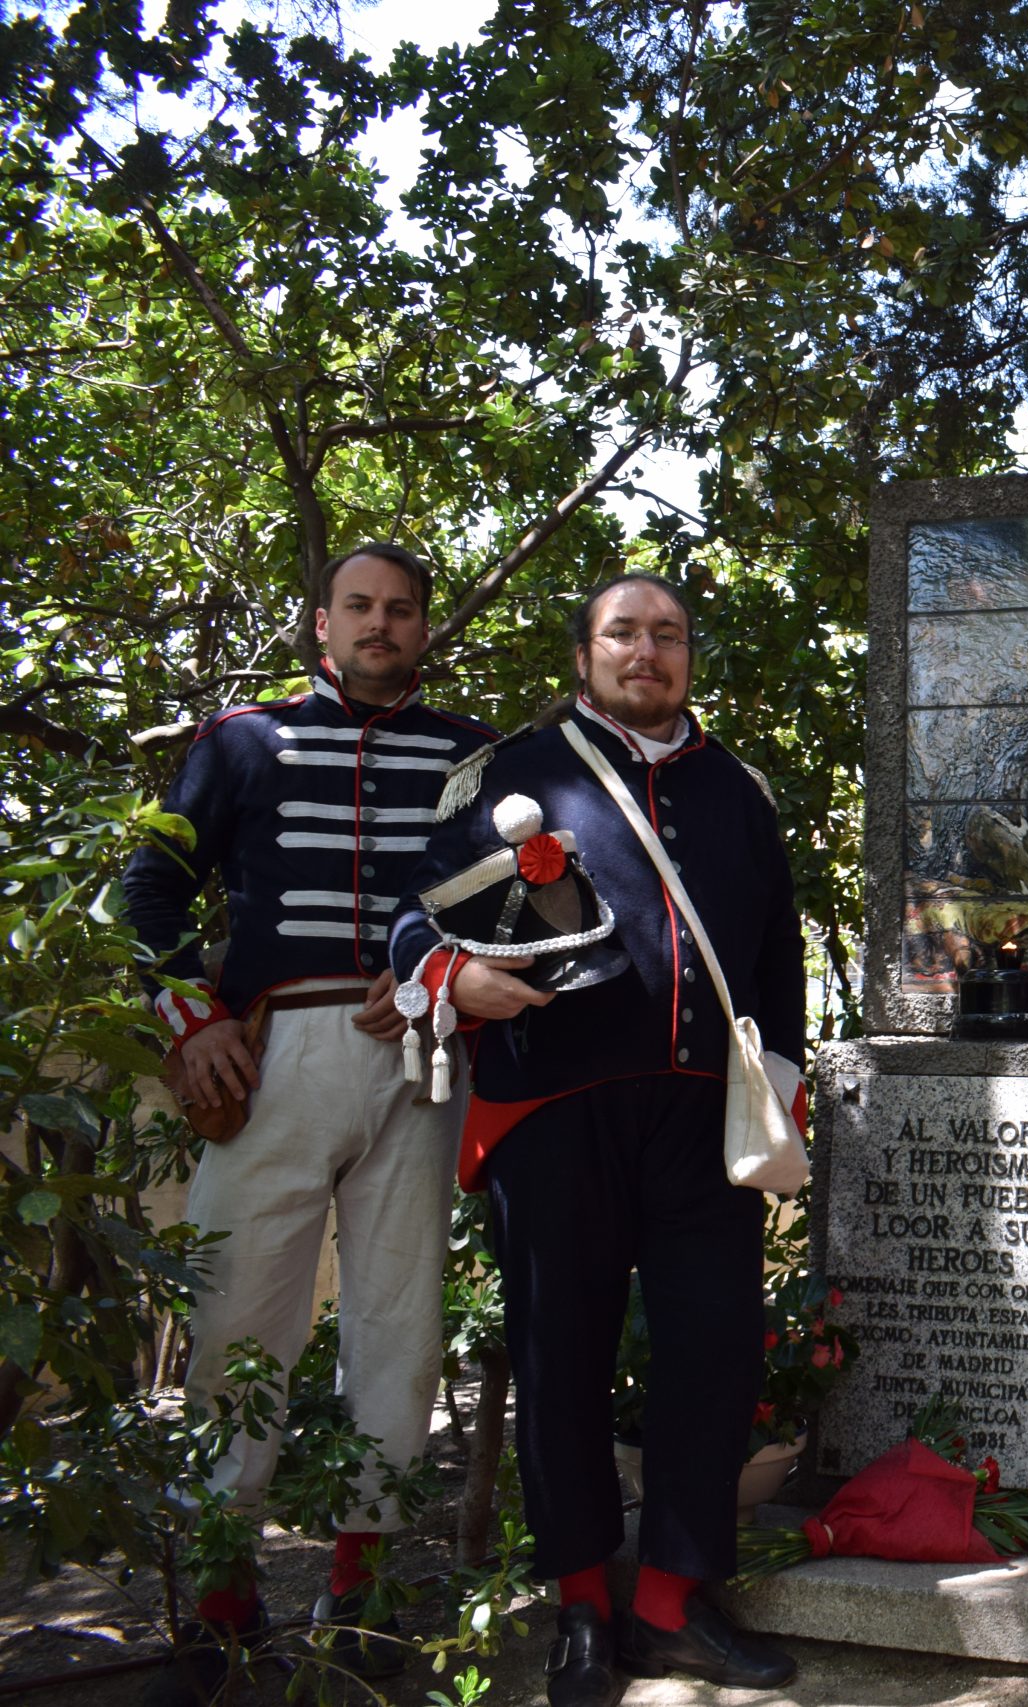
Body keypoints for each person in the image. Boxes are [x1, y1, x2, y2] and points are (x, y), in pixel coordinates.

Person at [391, 572, 805, 1706]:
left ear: (687, 657)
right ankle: (581, 1605)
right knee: (558, 1357)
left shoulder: (737, 789)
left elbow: (776, 948)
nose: (646, 652)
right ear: (584, 655)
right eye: (623, 633)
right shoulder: (509, 773)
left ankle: (670, 1603)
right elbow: (412, 913)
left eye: (668, 634)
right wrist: (454, 978)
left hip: (703, 1119)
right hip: (553, 1110)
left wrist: (781, 1076)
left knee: (714, 1348)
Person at [123, 543, 495, 1699]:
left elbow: (505, 901)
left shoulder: (471, 752)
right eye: (359, 606)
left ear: (425, 627)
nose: (380, 624)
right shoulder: (242, 740)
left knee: (400, 1317)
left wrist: (438, 972)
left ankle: (361, 1581)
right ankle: (222, 1597)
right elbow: (149, 889)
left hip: (423, 1057)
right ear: (320, 622)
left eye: (401, 609)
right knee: (239, 1315)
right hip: (272, 1052)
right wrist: (192, 1023)